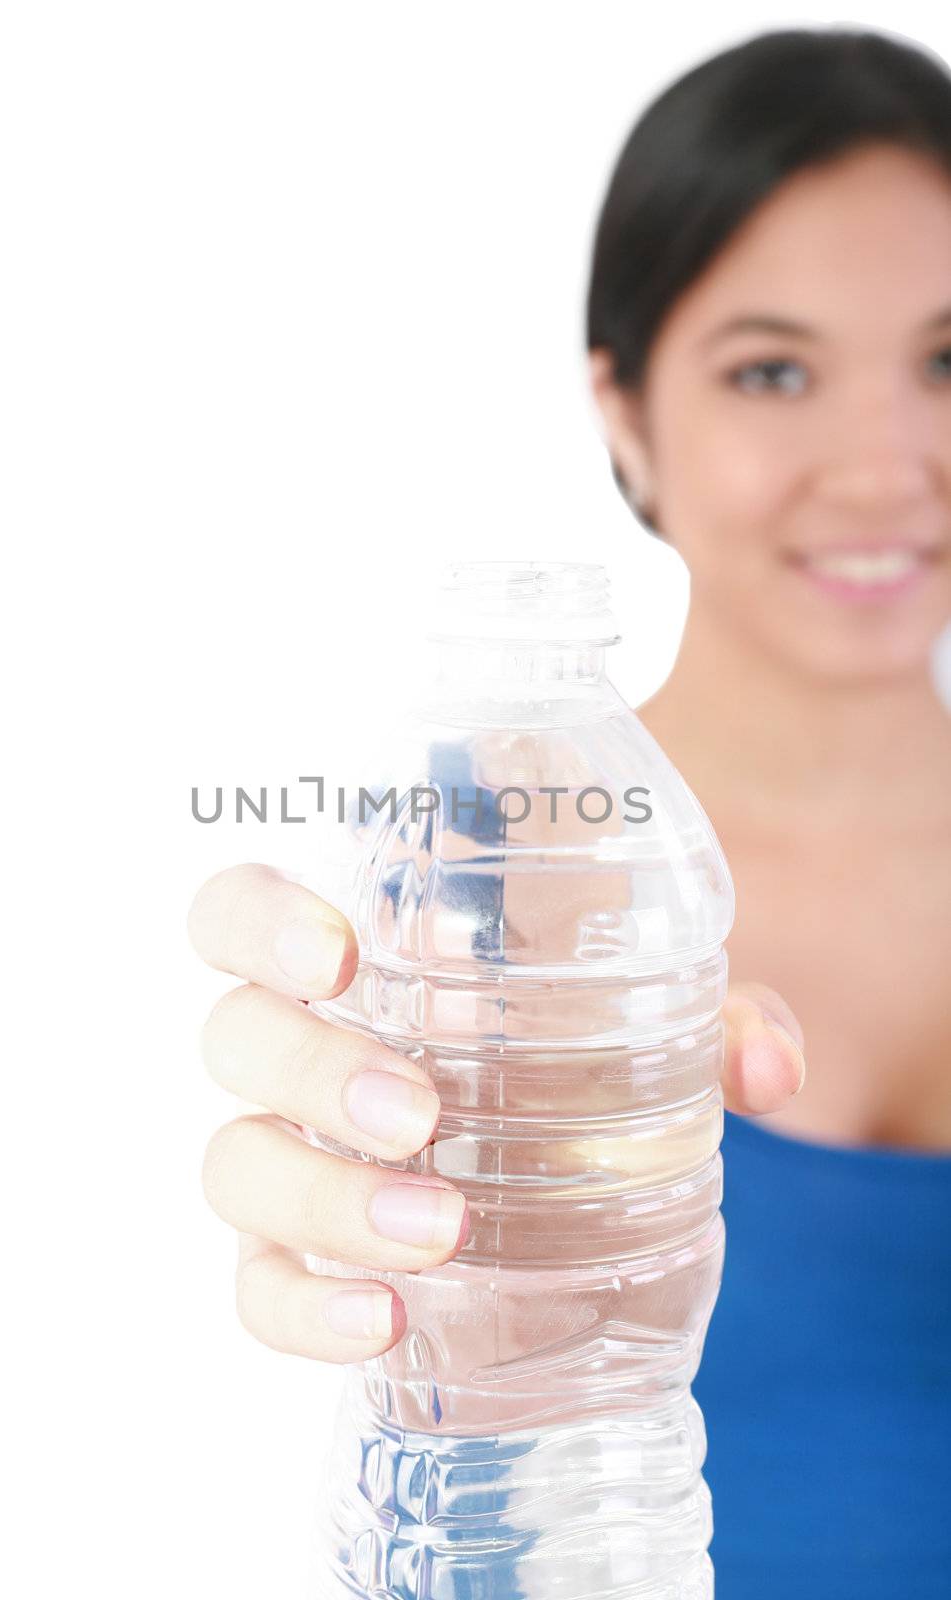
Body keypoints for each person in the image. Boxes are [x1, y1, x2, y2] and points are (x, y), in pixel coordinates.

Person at [189, 26, 951, 1597]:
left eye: (950, 360)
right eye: (774, 369)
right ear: (622, 410)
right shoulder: (489, 886)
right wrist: (380, 1261)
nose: (884, 464)